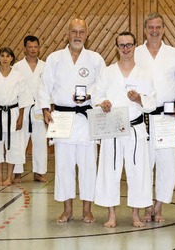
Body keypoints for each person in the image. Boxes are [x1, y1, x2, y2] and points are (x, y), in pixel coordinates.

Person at [39, 18, 105, 223]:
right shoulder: (54, 58)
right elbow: (44, 86)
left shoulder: (95, 59)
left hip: (86, 117)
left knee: (88, 166)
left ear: (87, 35)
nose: (78, 35)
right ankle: (67, 209)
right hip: (61, 116)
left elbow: (102, 86)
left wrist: (90, 96)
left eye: (81, 32)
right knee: (64, 165)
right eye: (74, 32)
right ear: (67, 34)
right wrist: (44, 109)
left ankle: (87, 209)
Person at [93, 32, 155, 228]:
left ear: (135, 46)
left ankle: (135, 214)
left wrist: (138, 99)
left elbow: (152, 102)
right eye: (122, 45)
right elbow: (96, 95)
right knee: (110, 170)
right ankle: (111, 215)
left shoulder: (144, 73)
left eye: (129, 45)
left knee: (137, 171)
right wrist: (102, 103)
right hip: (112, 127)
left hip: (135, 127)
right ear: (117, 47)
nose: (126, 49)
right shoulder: (107, 72)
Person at [134, 12, 175, 223]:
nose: (154, 31)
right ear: (145, 29)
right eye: (150, 28)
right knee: (144, 164)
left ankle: (159, 206)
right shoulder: (136, 53)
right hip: (142, 115)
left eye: (158, 27)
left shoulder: (174, 54)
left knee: (167, 164)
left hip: (166, 115)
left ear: (164, 29)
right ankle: (146, 207)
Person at [0, 47, 32, 186]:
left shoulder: (18, 76)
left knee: (13, 147)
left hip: (13, 114)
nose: (5, 59)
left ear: (12, 58)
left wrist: (21, 118)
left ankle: (9, 177)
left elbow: (24, 99)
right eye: (2, 56)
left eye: (8, 56)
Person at [13, 35, 48, 183]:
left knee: (40, 141)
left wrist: (48, 109)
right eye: (30, 47)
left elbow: (48, 88)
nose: (33, 50)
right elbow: (14, 89)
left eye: (35, 47)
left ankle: (39, 172)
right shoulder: (17, 67)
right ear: (24, 49)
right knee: (20, 141)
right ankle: (17, 172)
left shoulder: (45, 66)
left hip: (39, 108)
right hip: (23, 107)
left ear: (39, 48)